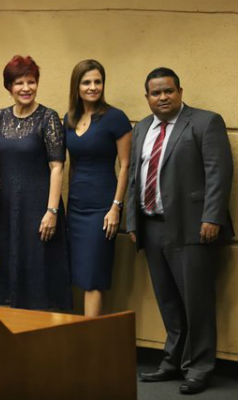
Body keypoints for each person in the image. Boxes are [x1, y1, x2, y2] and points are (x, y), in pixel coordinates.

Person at [127, 67, 233, 395]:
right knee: (168, 302)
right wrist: (132, 221)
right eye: (156, 93)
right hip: (152, 226)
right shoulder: (143, 127)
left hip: (193, 229)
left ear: (180, 92)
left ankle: (200, 367)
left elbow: (218, 172)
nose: (162, 97)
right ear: (147, 98)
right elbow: (133, 175)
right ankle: (172, 360)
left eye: (168, 91)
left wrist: (212, 217)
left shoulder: (205, 122)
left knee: (196, 302)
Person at [0, 55, 72, 310]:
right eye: (19, 83)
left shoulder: (48, 118)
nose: (26, 88)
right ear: (9, 87)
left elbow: (57, 167)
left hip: (39, 209)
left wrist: (52, 211)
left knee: (41, 271)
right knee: (7, 268)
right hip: (5, 210)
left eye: (31, 81)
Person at [64, 60, 132, 317]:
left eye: (97, 81)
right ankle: (78, 337)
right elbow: (71, 166)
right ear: (77, 86)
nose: (93, 87)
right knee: (76, 275)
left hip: (102, 207)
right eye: (87, 82)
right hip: (77, 206)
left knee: (93, 277)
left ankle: (90, 345)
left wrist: (116, 207)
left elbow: (125, 166)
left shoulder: (115, 118)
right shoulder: (69, 119)